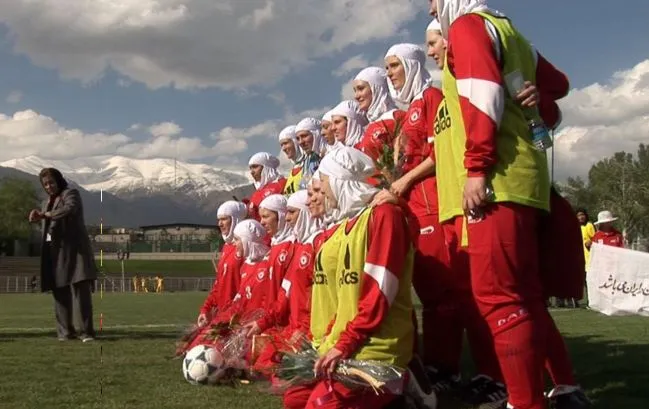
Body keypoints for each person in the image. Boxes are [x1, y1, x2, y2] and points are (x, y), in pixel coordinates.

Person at [429, 1, 581, 408]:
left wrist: (477, 168)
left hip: (498, 181)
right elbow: (559, 82)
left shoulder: (466, 25)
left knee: (499, 299)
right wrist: (541, 96)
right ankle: (563, 392)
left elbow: (484, 93)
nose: (430, 10)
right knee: (525, 298)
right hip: (527, 180)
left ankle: (525, 401)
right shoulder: (506, 27)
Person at [285, 147, 418, 409]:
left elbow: (379, 291)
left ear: (338, 181)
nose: (320, 192)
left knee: (319, 405)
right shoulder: (345, 227)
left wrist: (344, 343)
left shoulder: (384, 215)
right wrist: (329, 343)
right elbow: (342, 300)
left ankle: (398, 389)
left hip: (376, 349)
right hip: (350, 343)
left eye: (323, 183)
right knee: (294, 399)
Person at [28, 167, 96, 342]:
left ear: (58, 180)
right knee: (59, 293)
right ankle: (65, 332)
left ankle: (86, 332)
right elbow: (47, 227)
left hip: (76, 252)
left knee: (81, 293)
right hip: (56, 254)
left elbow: (68, 210)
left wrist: (45, 215)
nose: (49, 186)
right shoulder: (45, 203)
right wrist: (38, 218)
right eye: (45, 184)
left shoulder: (71, 194)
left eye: (51, 182)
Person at [352, 66, 406, 187]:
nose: (356, 96)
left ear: (377, 88)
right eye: (355, 90)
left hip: (392, 192)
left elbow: (405, 158)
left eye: (361, 89)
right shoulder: (368, 128)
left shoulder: (397, 117)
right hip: (373, 195)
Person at [197, 200, 247, 327]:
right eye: (219, 220)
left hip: (237, 318)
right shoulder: (226, 247)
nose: (220, 223)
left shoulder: (247, 247)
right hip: (222, 316)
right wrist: (206, 308)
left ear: (236, 219)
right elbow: (219, 285)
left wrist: (233, 313)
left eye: (224, 219)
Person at [259, 194, 297, 302]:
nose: (262, 222)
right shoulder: (275, 245)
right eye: (261, 217)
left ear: (281, 216)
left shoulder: (292, 245)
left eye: (266, 216)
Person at [247, 152, 287, 221]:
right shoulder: (257, 192)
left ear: (266, 167)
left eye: (255, 167)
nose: (251, 172)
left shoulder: (283, 184)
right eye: (250, 168)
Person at [294, 117, 325, 186]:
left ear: (316, 135)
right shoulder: (309, 160)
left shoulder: (331, 153)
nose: (301, 142)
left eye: (304, 136)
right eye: (298, 138)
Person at [278, 125, 305, 195]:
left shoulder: (311, 165)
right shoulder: (293, 170)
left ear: (296, 142)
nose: (283, 149)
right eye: (281, 145)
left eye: (286, 143)